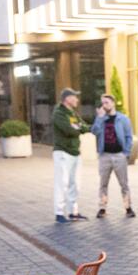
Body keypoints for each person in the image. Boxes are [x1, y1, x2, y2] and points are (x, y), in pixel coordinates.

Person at [91, 94, 135, 219]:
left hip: (119, 155)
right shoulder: (101, 118)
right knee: (103, 184)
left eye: (106, 102)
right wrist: (99, 118)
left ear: (113, 103)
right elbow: (94, 131)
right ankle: (102, 208)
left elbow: (128, 137)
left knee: (124, 184)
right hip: (104, 156)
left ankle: (128, 207)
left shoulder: (123, 119)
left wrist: (126, 153)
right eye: (102, 103)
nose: (104, 105)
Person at [52, 87, 88, 223]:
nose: (77, 100)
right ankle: (59, 213)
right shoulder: (59, 113)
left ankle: (73, 211)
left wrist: (77, 127)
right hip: (63, 152)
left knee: (75, 183)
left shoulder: (73, 113)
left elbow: (84, 127)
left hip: (75, 152)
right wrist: (78, 128)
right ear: (67, 99)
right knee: (62, 183)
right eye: (75, 97)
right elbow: (68, 130)